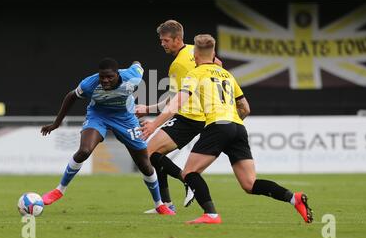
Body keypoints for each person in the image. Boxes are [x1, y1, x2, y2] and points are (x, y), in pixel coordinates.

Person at [141, 34, 313, 224]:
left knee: (189, 173)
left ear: (196, 54)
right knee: (249, 184)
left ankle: (211, 214)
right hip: (238, 127)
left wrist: (154, 124)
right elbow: (245, 108)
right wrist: (231, 126)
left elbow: (176, 104)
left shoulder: (196, 74)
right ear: (213, 54)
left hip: (217, 126)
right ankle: (293, 198)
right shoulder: (227, 75)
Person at [40, 57, 175, 215]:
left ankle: (159, 204)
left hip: (125, 118)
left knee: (144, 163)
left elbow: (138, 65)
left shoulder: (133, 77)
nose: (105, 80)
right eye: (102, 76)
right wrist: (56, 123)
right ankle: (59, 190)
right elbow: (71, 97)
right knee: (84, 150)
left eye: (109, 77)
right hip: (98, 116)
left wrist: (136, 63)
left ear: (117, 74)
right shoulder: (89, 84)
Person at [135, 20, 222, 213]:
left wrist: (153, 123)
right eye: (161, 40)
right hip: (200, 115)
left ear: (177, 39)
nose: (162, 44)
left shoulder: (178, 65)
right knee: (155, 155)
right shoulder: (195, 49)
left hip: (188, 117)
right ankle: (166, 205)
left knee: (147, 154)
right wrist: (148, 107)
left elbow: (175, 102)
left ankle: (188, 180)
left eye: (166, 40)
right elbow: (218, 64)